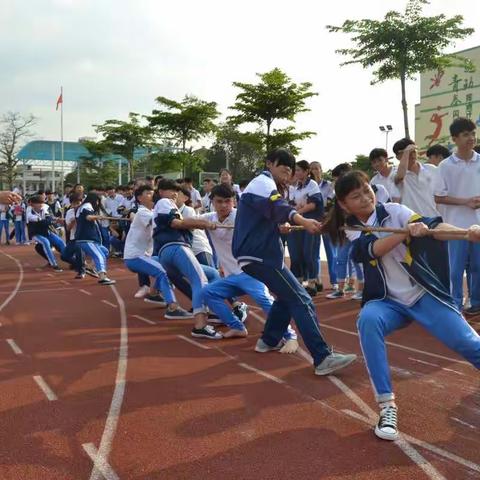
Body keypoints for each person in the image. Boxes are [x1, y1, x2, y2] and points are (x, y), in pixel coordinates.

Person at [323, 169, 480, 441]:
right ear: (343, 204)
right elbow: (370, 250)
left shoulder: (395, 211)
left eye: (366, 190)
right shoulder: (351, 227)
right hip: (387, 302)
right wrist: (405, 233)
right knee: (367, 320)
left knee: (469, 344)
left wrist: (464, 234)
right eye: (355, 196)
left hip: (423, 294)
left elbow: (434, 228)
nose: (364, 198)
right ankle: (387, 406)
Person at [233, 148, 357, 375]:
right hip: (260, 255)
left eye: (291, 168)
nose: (288, 171)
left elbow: (269, 214)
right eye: (283, 166)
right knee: (302, 299)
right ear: (269, 164)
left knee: (286, 297)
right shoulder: (262, 182)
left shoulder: (271, 186)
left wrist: (279, 226)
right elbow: (277, 207)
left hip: (262, 254)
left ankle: (268, 340)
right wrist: (303, 220)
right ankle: (322, 357)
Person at [201, 183, 298, 349]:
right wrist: (198, 224)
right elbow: (185, 221)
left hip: (250, 272)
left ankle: (288, 334)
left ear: (234, 201)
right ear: (212, 202)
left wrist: (283, 226)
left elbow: (269, 222)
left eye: (227, 201)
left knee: (264, 299)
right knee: (208, 292)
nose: (223, 205)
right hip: (231, 277)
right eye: (219, 202)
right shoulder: (209, 218)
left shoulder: (242, 216)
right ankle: (237, 327)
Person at [153, 179, 221, 340]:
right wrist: (202, 223)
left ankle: (212, 310)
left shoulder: (170, 206)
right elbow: (177, 223)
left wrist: (198, 223)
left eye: (176, 191)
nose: (174, 193)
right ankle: (200, 325)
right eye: (170, 189)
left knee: (211, 273)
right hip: (175, 247)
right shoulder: (164, 202)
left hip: (168, 253)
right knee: (200, 279)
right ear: (161, 191)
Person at [124, 185, 191, 318]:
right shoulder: (143, 213)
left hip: (144, 256)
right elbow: (160, 223)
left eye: (152, 192)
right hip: (135, 257)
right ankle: (172, 307)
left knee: (168, 267)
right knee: (162, 272)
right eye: (148, 193)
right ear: (139, 198)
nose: (152, 195)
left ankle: (154, 293)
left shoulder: (151, 212)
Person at [434, 117, 480, 315]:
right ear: (454, 138)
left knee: (477, 267)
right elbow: (439, 196)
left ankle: (476, 302)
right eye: (465, 134)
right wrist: (466, 202)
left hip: (478, 225)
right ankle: (455, 303)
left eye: (473, 133)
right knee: (455, 269)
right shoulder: (446, 165)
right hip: (455, 227)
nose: (471, 138)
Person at [325, 163, 364, 301]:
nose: (335, 182)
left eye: (337, 179)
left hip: (358, 232)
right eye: (334, 180)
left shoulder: (359, 192)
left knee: (357, 259)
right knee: (340, 259)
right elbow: (334, 214)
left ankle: (361, 289)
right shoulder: (337, 195)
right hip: (344, 232)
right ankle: (340, 289)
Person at [287, 160, 324, 296]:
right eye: (295, 170)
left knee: (310, 253)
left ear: (307, 171)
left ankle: (313, 282)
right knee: (297, 253)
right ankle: (301, 281)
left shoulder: (312, 185)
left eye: (299, 170)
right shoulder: (296, 187)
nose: (297, 173)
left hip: (311, 223)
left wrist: (297, 214)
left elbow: (314, 204)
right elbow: (292, 204)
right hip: (298, 224)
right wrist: (294, 211)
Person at [75, 192, 116, 285]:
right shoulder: (87, 205)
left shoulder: (85, 206)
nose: (98, 203)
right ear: (94, 200)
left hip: (93, 240)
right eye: (98, 201)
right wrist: (98, 217)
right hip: (86, 239)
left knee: (104, 251)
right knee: (99, 256)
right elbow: (88, 217)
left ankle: (89, 267)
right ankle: (102, 277)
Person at [393, 138, 439, 217]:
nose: (412, 155)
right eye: (407, 152)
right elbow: (400, 177)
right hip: (413, 221)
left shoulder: (431, 169)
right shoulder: (395, 173)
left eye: (414, 151)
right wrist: (406, 151)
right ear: (397, 157)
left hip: (435, 217)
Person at [309, 161, 337, 290]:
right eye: (312, 169)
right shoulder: (309, 185)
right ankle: (317, 280)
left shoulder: (330, 185)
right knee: (314, 252)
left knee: (331, 252)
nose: (314, 171)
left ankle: (335, 281)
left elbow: (331, 203)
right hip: (313, 221)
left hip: (326, 221)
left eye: (316, 168)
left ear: (321, 170)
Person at [26, 195, 65, 271]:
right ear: (33, 204)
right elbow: (35, 219)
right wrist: (51, 219)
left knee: (60, 242)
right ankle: (54, 265)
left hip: (46, 232)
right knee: (45, 242)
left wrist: (55, 221)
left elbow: (49, 218)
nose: (41, 204)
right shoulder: (29, 211)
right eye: (38, 203)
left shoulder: (45, 208)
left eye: (42, 203)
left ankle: (73, 261)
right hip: (36, 233)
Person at [61, 193, 87, 278]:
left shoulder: (85, 211)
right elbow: (68, 229)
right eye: (74, 203)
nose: (76, 205)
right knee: (64, 256)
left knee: (79, 251)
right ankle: (79, 265)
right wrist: (73, 222)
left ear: (81, 202)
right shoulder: (69, 212)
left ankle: (81, 271)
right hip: (73, 238)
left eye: (78, 203)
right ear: (71, 204)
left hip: (82, 237)